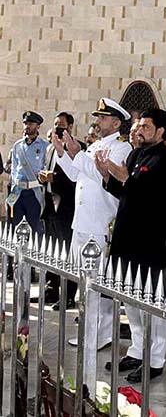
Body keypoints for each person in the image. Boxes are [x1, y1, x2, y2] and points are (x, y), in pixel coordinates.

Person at [97, 108, 166, 383]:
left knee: (153, 302)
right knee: (131, 300)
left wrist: (123, 176)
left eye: (145, 126)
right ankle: (136, 349)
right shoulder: (136, 154)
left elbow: (149, 196)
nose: (139, 130)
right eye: (138, 125)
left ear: (160, 132)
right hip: (128, 237)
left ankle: (155, 358)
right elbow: (126, 194)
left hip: (152, 241)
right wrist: (108, 176)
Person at [55, 98, 132, 350]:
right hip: (83, 222)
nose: (97, 122)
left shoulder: (122, 148)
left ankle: (100, 335)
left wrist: (77, 153)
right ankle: (91, 332)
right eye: (98, 117)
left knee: (99, 285)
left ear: (116, 122)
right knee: (85, 283)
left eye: (103, 118)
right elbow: (77, 175)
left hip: (101, 224)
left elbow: (104, 177)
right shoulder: (96, 145)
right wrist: (62, 153)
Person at [40, 112, 84, 307]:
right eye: (55, 125)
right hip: (49, 205)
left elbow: (73, 178)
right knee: (52, 251)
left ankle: (68, 296)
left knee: (68, 253)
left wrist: (54, 178)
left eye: (62, 126)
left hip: (66, 207)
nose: (58, 129)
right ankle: (51, 289)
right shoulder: (50, 148)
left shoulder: (75, 148)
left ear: (70, 127)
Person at [7, 110, 49, 234]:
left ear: (38, 126)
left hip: (34, 193)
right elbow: (14, 169)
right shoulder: (17, 146)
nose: (27, 126)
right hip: (18, 192)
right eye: (25, 123)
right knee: (16, 227)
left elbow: (46, 167)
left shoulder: (44, 146)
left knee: (34, 228)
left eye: (31, 123)